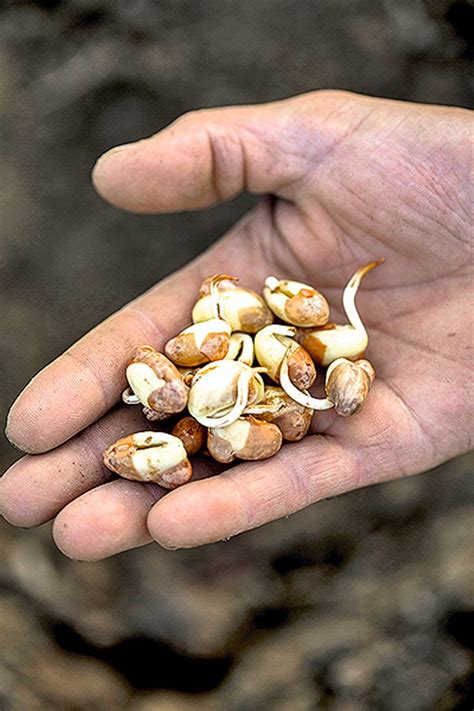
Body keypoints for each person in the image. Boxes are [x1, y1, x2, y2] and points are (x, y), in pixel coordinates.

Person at [1, 90, 472, 560]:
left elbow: (273, 372)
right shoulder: (234, 364)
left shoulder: (264, 354)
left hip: (242, 378)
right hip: (236, 378)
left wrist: (238, 388)